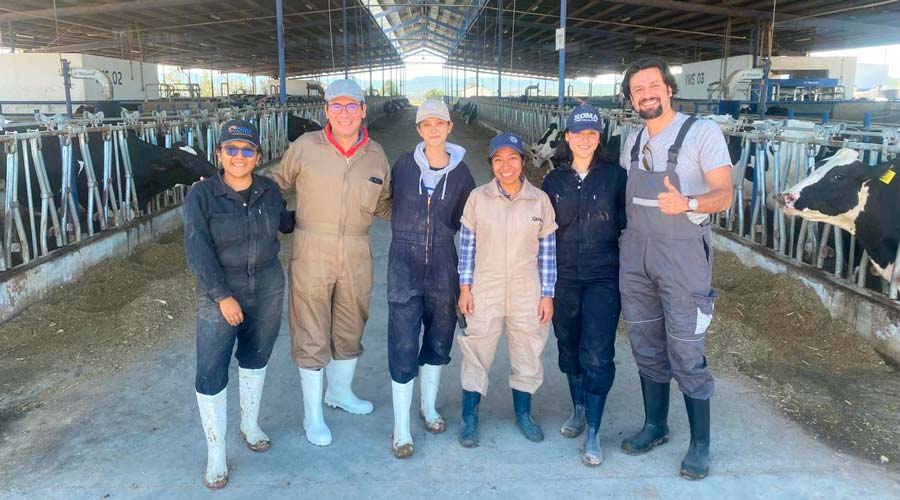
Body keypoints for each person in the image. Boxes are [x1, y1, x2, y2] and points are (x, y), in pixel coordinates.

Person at [617, 57, 733, 480]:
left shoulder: (701, 132)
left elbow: (724, 195)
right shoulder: (630, 140)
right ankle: (655, 425)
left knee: (685, 348)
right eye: (637, 90)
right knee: (646, 343)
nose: (645, 94)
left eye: (652, 86)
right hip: (636, 256)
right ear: (631, 100)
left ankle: (700, 445)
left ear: (668, 88)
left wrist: (688, 203)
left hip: (683, 255)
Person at [272, 79, 392, 447]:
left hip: (357, 248)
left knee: (351, 322)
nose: (343, 113)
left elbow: (386, 204)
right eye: (336, 106)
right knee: (310, 326)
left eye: (351, 106)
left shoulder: (375, 154)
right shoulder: (306, 147)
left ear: (363, 110)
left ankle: (339, 392)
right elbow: (275, 183)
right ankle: (313, 414)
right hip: (312, 246)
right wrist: (278, 218)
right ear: (325, 111)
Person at [183, 119, 294, 489]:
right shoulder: (202, 196)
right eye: (231, 149)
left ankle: (249, 424)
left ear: (258, 156)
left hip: (267, 283)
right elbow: (197, 248)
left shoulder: (268, 190)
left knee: (256, 355)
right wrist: (222, 295)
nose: (239, 156)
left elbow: (288, 223)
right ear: (219, 154)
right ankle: (216, 452)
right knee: (212, 367)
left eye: (247, 150)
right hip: (221, 287)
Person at [386, 100, 475, 458]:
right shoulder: (404, 166)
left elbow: (468, 223)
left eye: (440, 123)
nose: (434, 129)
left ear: (450, 127)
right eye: (427, 124)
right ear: (419, 129)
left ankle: (429, 406)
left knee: (440, 339)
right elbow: (384, 201)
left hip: (443, 260)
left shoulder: (463, 173)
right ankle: (401, 427)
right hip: (402, 263)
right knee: (404, 343)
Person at [456, 132, 558, 448]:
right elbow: (467, 247)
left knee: (528, 350)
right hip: (485, 286)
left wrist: (547, 293)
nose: (506, 165)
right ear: (492, 165)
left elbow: (548, 251)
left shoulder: (539, 200)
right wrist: (464, 287)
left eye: (512, 158)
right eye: (498, 160)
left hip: (527, 288)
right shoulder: (478, 198)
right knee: (476, 350)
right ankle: (469, 417)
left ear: (523, 161)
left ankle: (524, 415)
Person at [541, 104, 627, 466]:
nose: (586, 139)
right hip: (564, 276)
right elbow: (543, 234)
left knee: (597, 351)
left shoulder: (615, 176)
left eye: (593, 133)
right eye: (579, 133)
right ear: (568, 137)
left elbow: (628, 224)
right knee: (569, 345)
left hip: (604, 275)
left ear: (599, 137)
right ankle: (578, 408)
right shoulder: (553, 180)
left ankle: (593, 428)